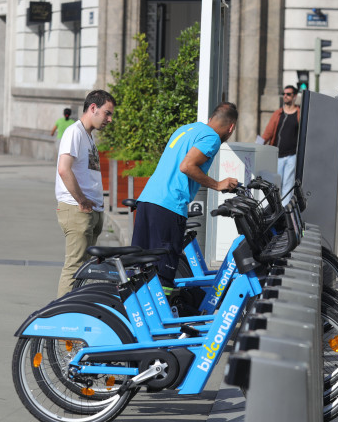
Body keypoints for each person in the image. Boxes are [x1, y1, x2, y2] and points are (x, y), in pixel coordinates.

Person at [132, 102, 239, 295]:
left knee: (142, 272)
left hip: (148, 200)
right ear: (231, 127)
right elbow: (187, 166)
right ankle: (163, 323)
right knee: (163, 276)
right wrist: (218, 185)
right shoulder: (212, 138)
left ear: (210, 118)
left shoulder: (187, 129)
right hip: (169, 206)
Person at [55, 90, 116, 298]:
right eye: (107, 113)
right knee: (74, 268)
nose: (109, 119)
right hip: (77, 209)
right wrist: (81, 200)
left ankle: (75, 310)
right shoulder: (75, 132)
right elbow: (64, 169)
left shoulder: (87, 135)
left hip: (89, 209)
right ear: (93, 108)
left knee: (83, 270)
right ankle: (61, 319)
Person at [257, 86, 300, 205]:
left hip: (292, 155)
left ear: (295, 96)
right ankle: (275, 208)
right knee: (276, 184)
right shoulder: (278, 113)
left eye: (288, 94)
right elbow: (267, 133)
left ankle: (285, 211)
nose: (285, 96)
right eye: (284, 94)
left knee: (288, 184)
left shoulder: (299, 113)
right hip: (277, 155)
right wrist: (256, 147)